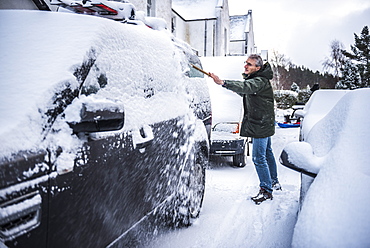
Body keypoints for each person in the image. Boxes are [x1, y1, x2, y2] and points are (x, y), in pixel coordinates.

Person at [209, 54, 281, 205]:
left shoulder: (259, 80)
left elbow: (246, 87)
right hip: (263, 123)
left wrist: (223, 82)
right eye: (245, 63)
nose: (245, 66)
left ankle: (266, 190)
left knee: (258, 158)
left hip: (260, 124)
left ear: (258, 68)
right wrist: (227, 86)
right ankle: (274, 182)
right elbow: (245, 91)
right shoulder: (258, 81)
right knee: (267, 153)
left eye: (249, 64)